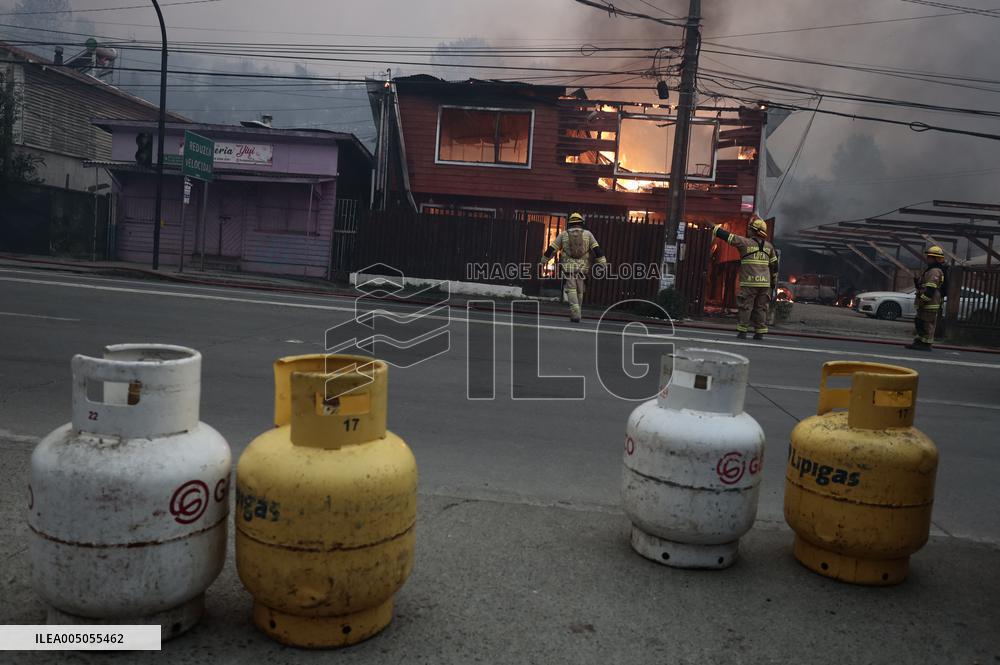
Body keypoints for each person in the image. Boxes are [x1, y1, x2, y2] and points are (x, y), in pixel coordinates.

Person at [713, 215, 779, 340]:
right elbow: (774, 266)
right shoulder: (769, 247)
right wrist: (773, 281)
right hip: (764, 284)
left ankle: (743, 331)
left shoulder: (745, 243)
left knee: (746, 306)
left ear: (754, 231)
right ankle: (760, 332)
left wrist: (714, 229)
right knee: (760, 308)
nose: (747, 230)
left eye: (750, 229)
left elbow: (729, 237)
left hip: (750, 283)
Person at [542, 212, 607, 323]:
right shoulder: (588, 234)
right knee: (580, 289)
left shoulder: (564, 234)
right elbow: (597, 250)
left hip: (569, 268)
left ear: (570, 223)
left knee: (571, 289)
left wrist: (543, 260)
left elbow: (552, 249)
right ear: (581, 223)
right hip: (582, 268)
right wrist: (603, 263)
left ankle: (575, 313)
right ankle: (578, 311)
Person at [906, 245, 947, 352]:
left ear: (936, 259)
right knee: (920, 322)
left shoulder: (935, 271)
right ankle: (919, 341)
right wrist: (918, 283)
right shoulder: (930, 270)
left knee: (927, 323)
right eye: (928, 256)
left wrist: (922, 301)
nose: (927, 258)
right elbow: (924, 286)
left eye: (930, 257)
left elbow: (930, 290)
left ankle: (926, 344)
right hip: (925, 303)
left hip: (929, 303)